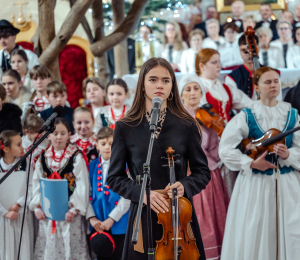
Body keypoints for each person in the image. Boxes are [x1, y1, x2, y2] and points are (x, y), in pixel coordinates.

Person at [106, 57, 211, 260]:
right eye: (153, 80)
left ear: (172, 86)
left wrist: (185, 185)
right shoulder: (126, 127)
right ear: (142, 85)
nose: (159, 85)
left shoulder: (186, 125)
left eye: (166, 80)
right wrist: (142, 194)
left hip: (179, 216)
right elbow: (114, 177)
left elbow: (202, 172)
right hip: (143, 215)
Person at [219, 66, 300, 260]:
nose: (273, 85)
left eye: (276, 81)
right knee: (256, 228)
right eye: (267, 82)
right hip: (256, 184)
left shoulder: (292, 114)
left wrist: (288, 154)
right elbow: (225, 149)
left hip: (288, 184)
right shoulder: (246, 115)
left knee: (292, 229)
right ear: (256, 87)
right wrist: (251, 163)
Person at [178, 74, 229, 260]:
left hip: (209, 175)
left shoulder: (208, 116)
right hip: (186, 177)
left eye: (196, 88)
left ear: (202, 91)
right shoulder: (175, 119)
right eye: (188, 89)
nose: (193, 93)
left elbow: (215, 150)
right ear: (181, 94)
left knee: (214, 221)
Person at [29, 118, 90, 260]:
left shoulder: (75, 156)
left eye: (63, 133)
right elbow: (36, 182)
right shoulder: (43, 157)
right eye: (55, 133)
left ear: (69, 134)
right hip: (48, 214)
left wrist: (74, 208)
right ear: (48, 135)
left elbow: (82, 184)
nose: (59, 137)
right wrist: (37, 206)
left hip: (69, 215)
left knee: (70, 248)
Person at [86, 127, 130, 260]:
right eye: (103, 144)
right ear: (96, 145)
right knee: (102, 256)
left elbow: (127, 196)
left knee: (120, 254)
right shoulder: (91, 166)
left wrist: (111, 219)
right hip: (98, 223)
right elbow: (85, 193)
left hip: (119, 223)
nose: (107, 147)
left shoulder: (126, 166)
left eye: (111, 143)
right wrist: (91, 218)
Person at [0, 130, 33, 260]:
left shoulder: (25, 163)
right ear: (6, 148)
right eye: (18, 144)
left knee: (23, 249)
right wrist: (4, 211)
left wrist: (19, 203)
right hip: (3, 217)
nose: (22, 147)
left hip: (21, 214)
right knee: (5, 250)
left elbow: (31, 187)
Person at [196, 48, 252, 123]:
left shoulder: (225, 87)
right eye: (214, 62)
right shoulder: (196, 88)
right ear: (202, 66)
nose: (219, 66)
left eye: (219, 62)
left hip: (229, 131)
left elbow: (249, 104)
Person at [225, 34, 282, 101]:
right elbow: (235, 102)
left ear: (258, 49)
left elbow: (277, 99)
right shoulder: (232, 77)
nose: (249, 54)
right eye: (244, 50)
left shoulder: (273, 74)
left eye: (252, 49)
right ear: (239, 51)